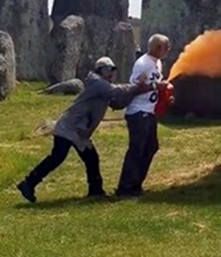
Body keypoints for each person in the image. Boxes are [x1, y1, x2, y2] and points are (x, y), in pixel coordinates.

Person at [16, 57, 150, 203]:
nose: (112, 73)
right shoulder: (98, 83)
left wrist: (136, 91)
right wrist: (138, 86)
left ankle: (95, 190)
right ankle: (29, 183)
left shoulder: (102, 85)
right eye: (109, 70)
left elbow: (118, 102)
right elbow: (117, 91)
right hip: (70, 127)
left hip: (78, 130)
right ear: (101, 70)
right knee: (58, 158)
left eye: (113, 70)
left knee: (88, 158)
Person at [115, 33, 172, 197]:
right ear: (157, 47)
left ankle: (136, 184)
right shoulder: (143, 64)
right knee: (137, 149)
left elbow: (155, 87)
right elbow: (135, 87)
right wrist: (156, 86)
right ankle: (125, 188)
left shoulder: (158, 63)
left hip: (149, 111)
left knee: (151, 147)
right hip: (138, 112)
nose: (168, 50)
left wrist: (165, 96)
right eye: (166, 47)